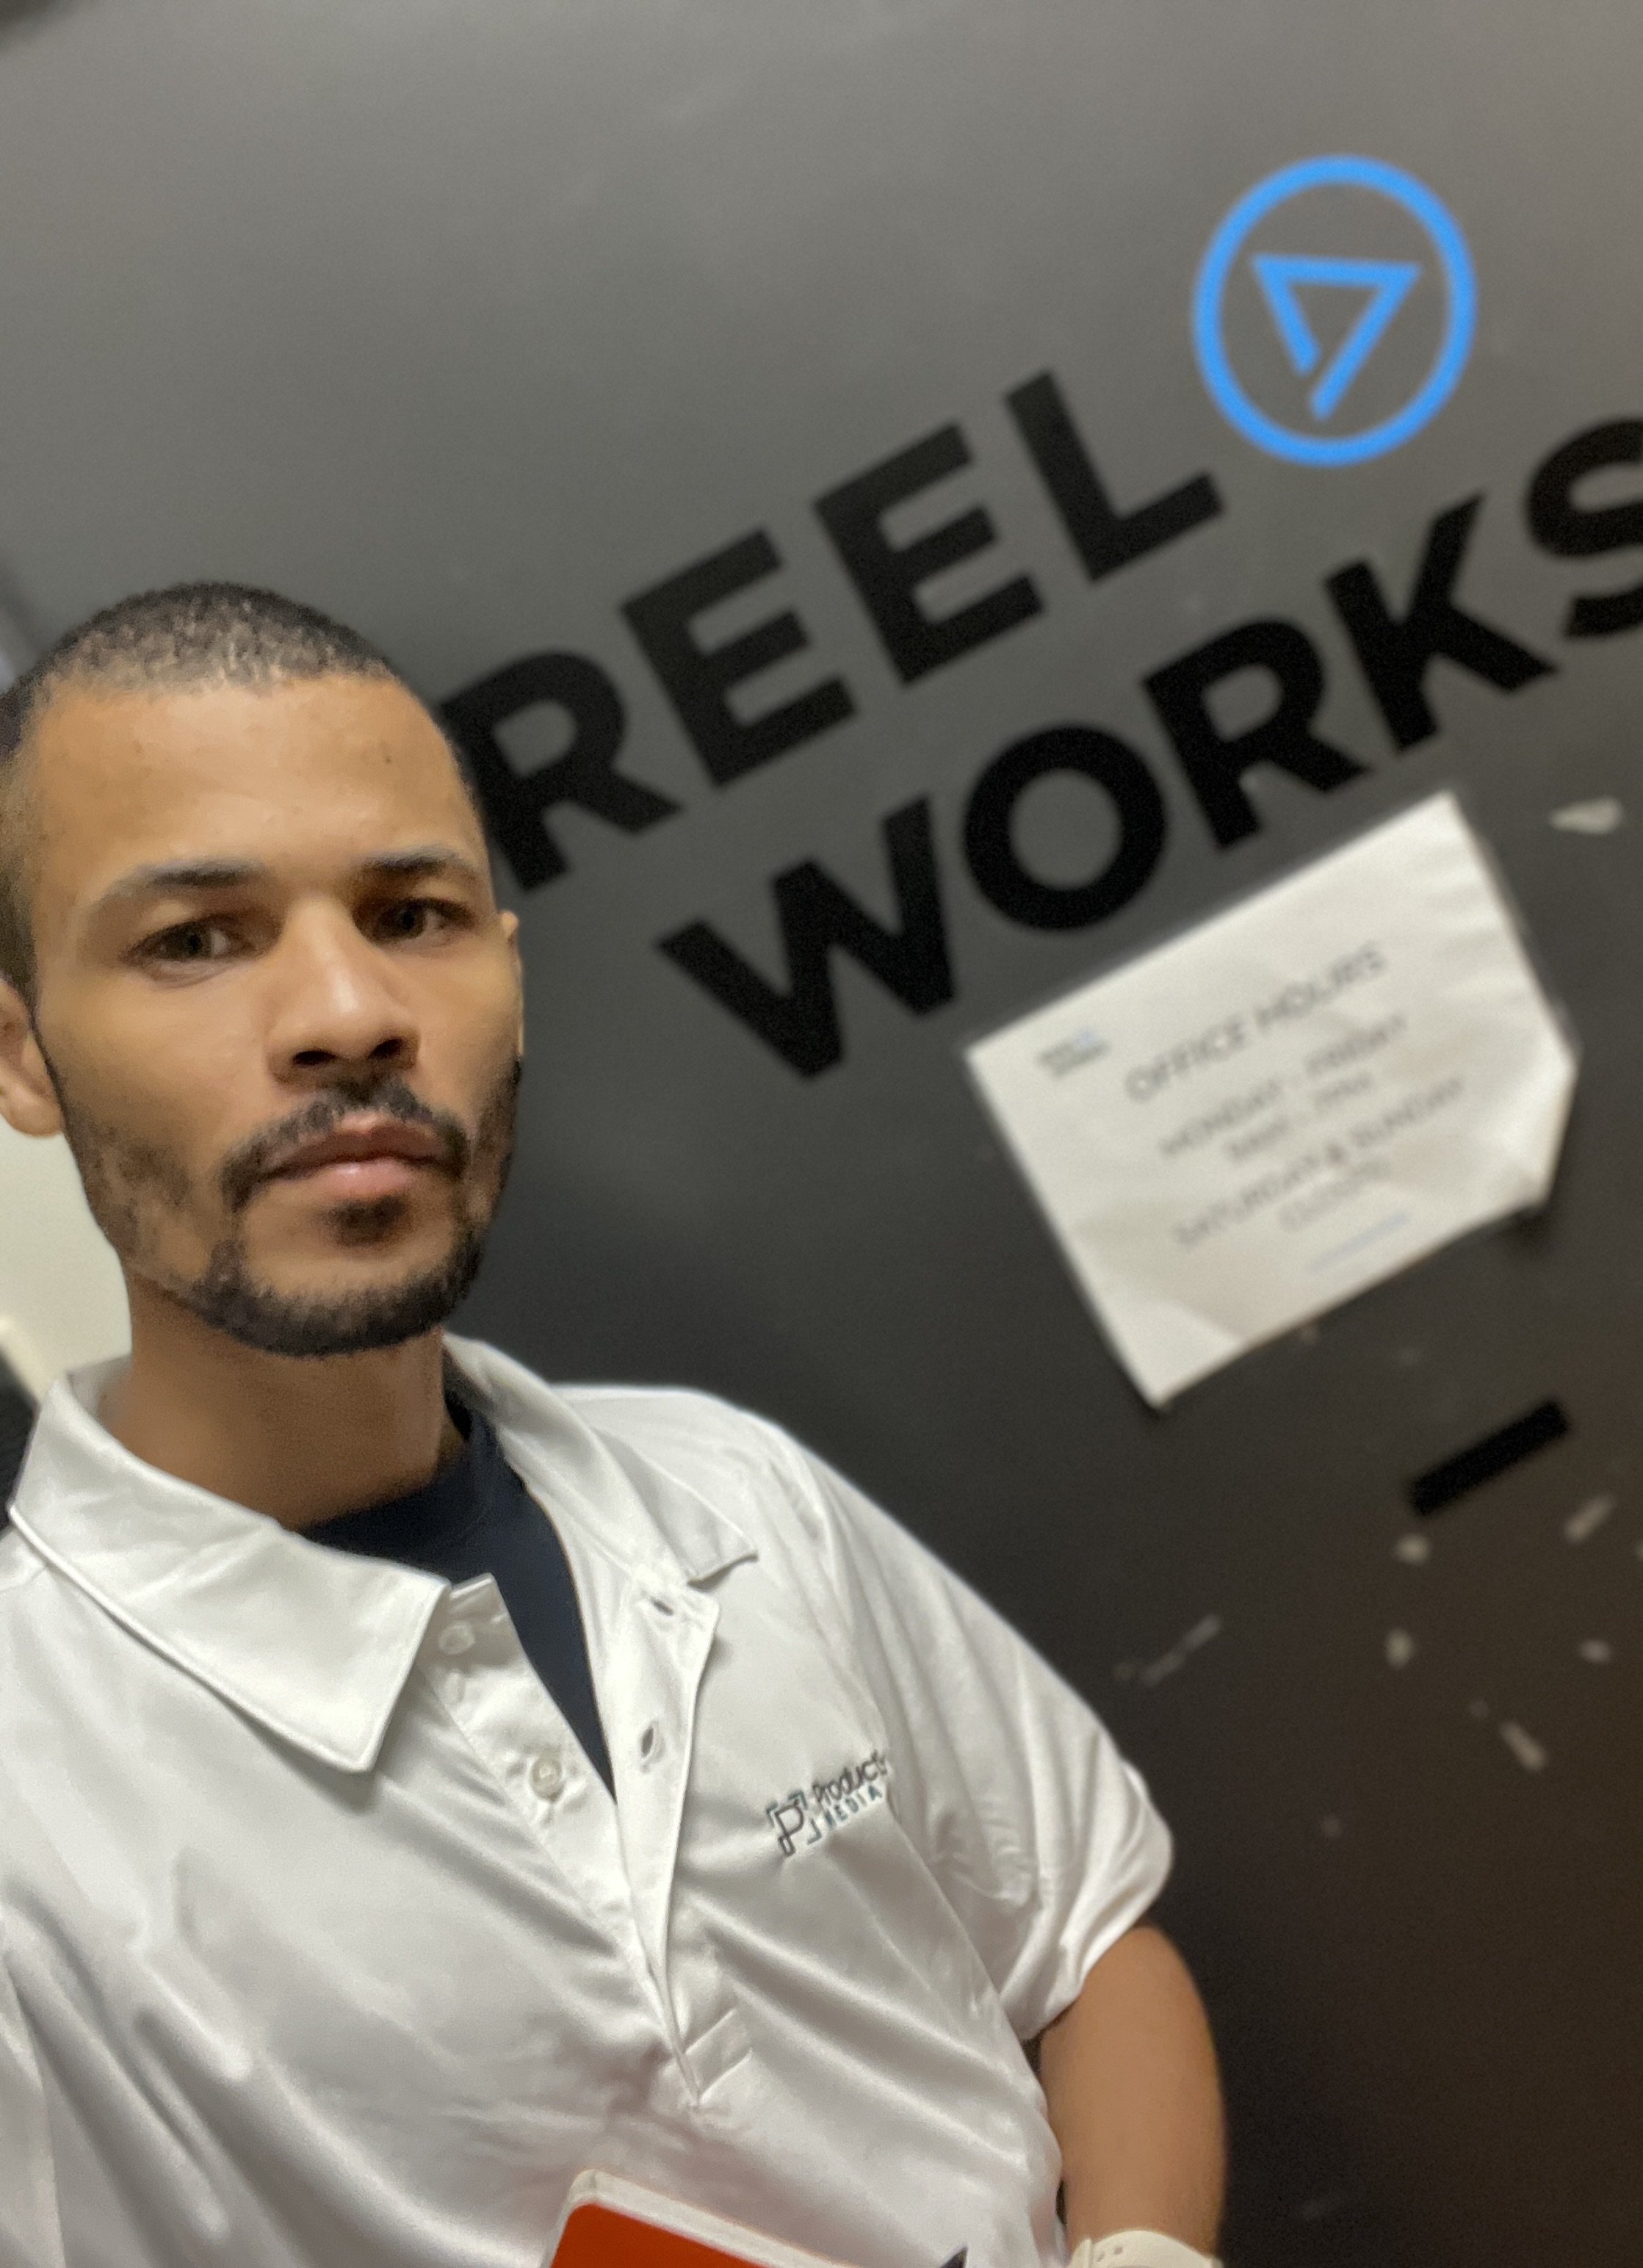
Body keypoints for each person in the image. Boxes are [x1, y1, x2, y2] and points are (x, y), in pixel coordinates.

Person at [0, 585, 1226, 2268]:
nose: (348, 1011)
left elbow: (1081, 1936)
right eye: (197, 938)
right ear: (24, 1051)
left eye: (413, 910)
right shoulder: (35, 1820)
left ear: (506, 963)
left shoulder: (724, 1485)